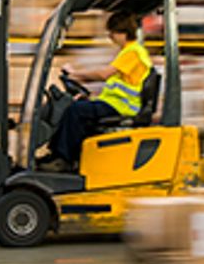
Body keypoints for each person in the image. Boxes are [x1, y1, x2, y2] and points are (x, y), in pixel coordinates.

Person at [38, 10, 152, 172]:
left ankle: (63, 159)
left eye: (112, 31)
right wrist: (88, 94)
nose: (110, 36)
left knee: (75, 111)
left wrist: (75, 74)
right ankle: (58, 155)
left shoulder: (132, 52)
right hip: (115, 103)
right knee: (77, 106)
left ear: (122, 32)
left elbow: (104, 74)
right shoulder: (130, 52)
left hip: (122, 106)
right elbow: (115, 84)